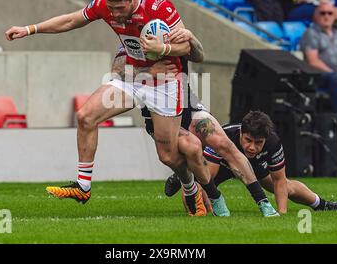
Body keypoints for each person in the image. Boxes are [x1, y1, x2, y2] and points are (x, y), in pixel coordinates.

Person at [5, 0, 206, 215]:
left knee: (168, 156)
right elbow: (71, 20)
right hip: (134, 77)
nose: (115, 14)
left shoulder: (158, 6)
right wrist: (30, 29)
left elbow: (186, 46)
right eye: (111, 8)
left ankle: (189, 187)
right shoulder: (105, 6)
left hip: (165, 83)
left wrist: (162, 48)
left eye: (120, 8)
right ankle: (83, 186)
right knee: (85, 116)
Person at [112, 27, 280, 217]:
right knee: (189, 150)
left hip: (188, 106)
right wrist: (149, 71)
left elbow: (199, 55)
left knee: (225, 145)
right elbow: (118, 74)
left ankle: (263, 203)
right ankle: (208, 192)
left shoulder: (172, 33)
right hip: (159, 116)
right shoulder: (133, 42)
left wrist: (192, 37)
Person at [164, 111, 337, 214]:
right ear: (240, 134)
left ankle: (322, 205)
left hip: (253, 167)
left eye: (258, 143)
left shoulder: (273, 142)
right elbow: (206, 181)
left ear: (265, 139)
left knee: (286, 186)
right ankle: (183, 175)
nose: (252, 147)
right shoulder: (226, 136)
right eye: (248, 140)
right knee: (202, 185)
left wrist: (281, 213)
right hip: (223, 162)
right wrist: (211, 211)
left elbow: (279, 181)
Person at [299, 0, 337, 121]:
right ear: (316, 16)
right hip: (320, 75)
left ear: (334, 16)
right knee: (335, 78)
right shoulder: (311, 33)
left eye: (330, 13)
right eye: (322, 13)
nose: (326, 16)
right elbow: (313, 61)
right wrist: (335, 73)